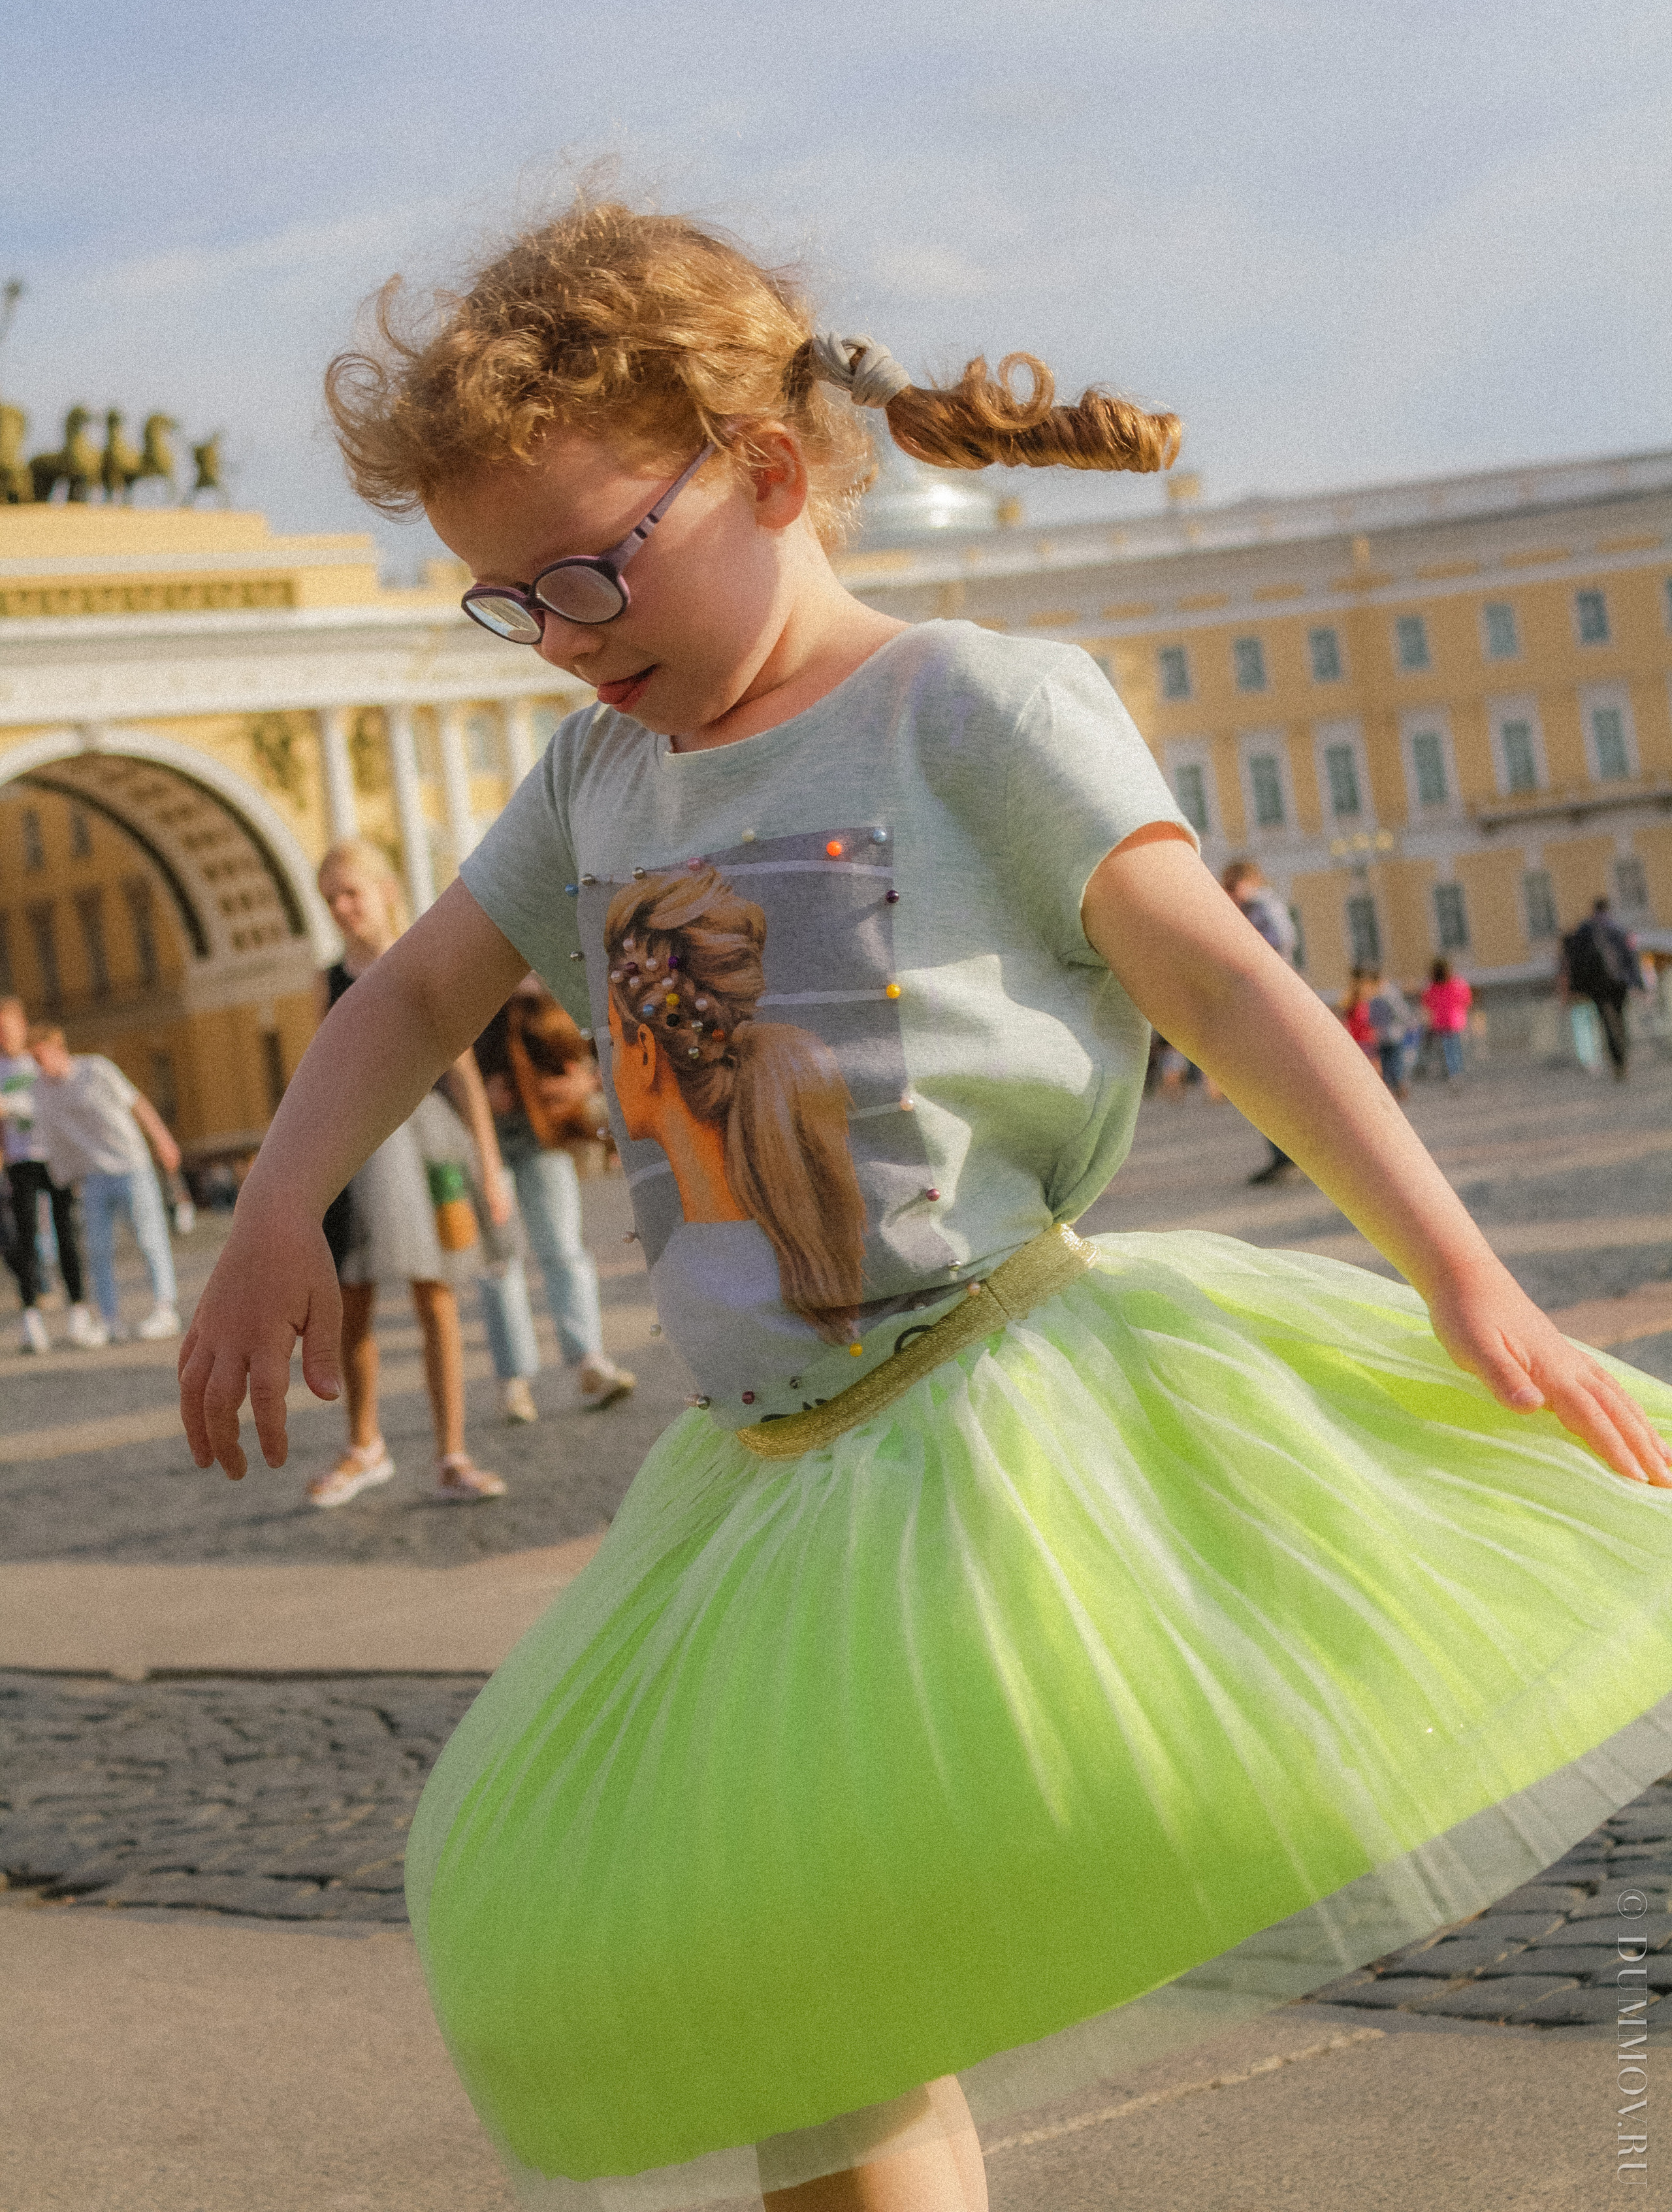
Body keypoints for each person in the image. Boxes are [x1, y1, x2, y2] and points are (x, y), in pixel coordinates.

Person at [180, 198, 1672, 2212]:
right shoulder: (590, 785)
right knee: (804, 2019)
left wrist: (1461, 1273)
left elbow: (1223, 985)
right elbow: (416, 989)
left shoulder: (966, 703)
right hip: (761, 1491)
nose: (562, 632)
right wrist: (278, 1202)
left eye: (592, 571)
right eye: (506, 599)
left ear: (773, 475)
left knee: (910, 1950)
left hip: (991, 1429)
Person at [310, 839, 511, 1506]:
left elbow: (461, 1070)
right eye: (330, 898)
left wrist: (489, 1164)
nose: (341, 908)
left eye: (351, 893)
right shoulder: (329, 977)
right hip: (358, 1147)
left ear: (385, 891)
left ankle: (451, 1453)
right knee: (353, 1300)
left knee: (438, 1296)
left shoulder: (419, 962)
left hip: (428, 1146)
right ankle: (364, 1445)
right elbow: (324, 1073)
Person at [475, 980, 637, 1420]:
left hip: (544, 1132)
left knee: (564, 1250)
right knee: (499, 1262)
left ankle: (589, 1364)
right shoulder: (465, 969)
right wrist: (477, 1096)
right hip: (484, 1139)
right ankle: (514, 1384)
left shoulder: (546, 970)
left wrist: (582, 1083)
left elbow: (593, 1040)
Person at [27, 1026, 181, 1342]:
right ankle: (110, 1321)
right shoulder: (41, 1090)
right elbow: (50, 1139)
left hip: (131, 1165)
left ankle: (166, 1311)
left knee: (149, 1237)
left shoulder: (96, 1070)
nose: (39, 1067)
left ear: (59, 1049)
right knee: (97, 1250)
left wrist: (163, 1140)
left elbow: (137, 1102)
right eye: (34, 1061)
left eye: (41, 1058)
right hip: (92, 1176)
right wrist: (64, 1176)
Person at [0, 996, 98, 1351]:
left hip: (54, 1155)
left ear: (22, 1025)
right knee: (25, 1239)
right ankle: (31, 1321)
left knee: (66, 1232)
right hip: (21, 1160)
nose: (4, 1037)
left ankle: (79, 1314)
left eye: (8, 1028)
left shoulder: (37, 1061)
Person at [1221, 859, 1302, 1182]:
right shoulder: (1246, 910)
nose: (1226, 893)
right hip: (1259, 1000)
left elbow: (1282, 941)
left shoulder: (1262, 905)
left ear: (1247, 881)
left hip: (1271, 999)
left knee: (1272, 1082)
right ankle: (1284, 1156)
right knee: (1266, 1083)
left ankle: (1290, 1157)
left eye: (1230, 886)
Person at [1559, 896, 1643, 1082]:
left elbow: (1572, 956)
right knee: (1621, 1019)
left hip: (1596, 984)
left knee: (1606, 1021)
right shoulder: (1618, 928)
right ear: (1608, 909)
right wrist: (1637, 983)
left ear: (1593, 909)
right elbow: (1631, 956)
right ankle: (1622, 1056)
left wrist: (1575, 985)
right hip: (1619, 982)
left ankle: (1616, 1061)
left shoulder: (1585, 928)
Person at [1343, 964, 1419, 1106]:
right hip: (1379, 1038)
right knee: (1386, 1069)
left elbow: (1400, 1014)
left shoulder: (1384, 994)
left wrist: (1402, 1027)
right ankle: (1391, 1097)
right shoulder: (1370, 995)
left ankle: (1396, 1094)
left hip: (1389, 1036)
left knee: (1393, 1067)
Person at [1422, 957, 1473, 1082]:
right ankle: (1457, 1072)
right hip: (1456, 1022)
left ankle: (1452, 1072)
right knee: (1456, 1048)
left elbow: (1426, 1002)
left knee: (1446, 1049)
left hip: (1440, 1023)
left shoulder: (1432, 987)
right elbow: (1467, 999)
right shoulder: (1458, 984)